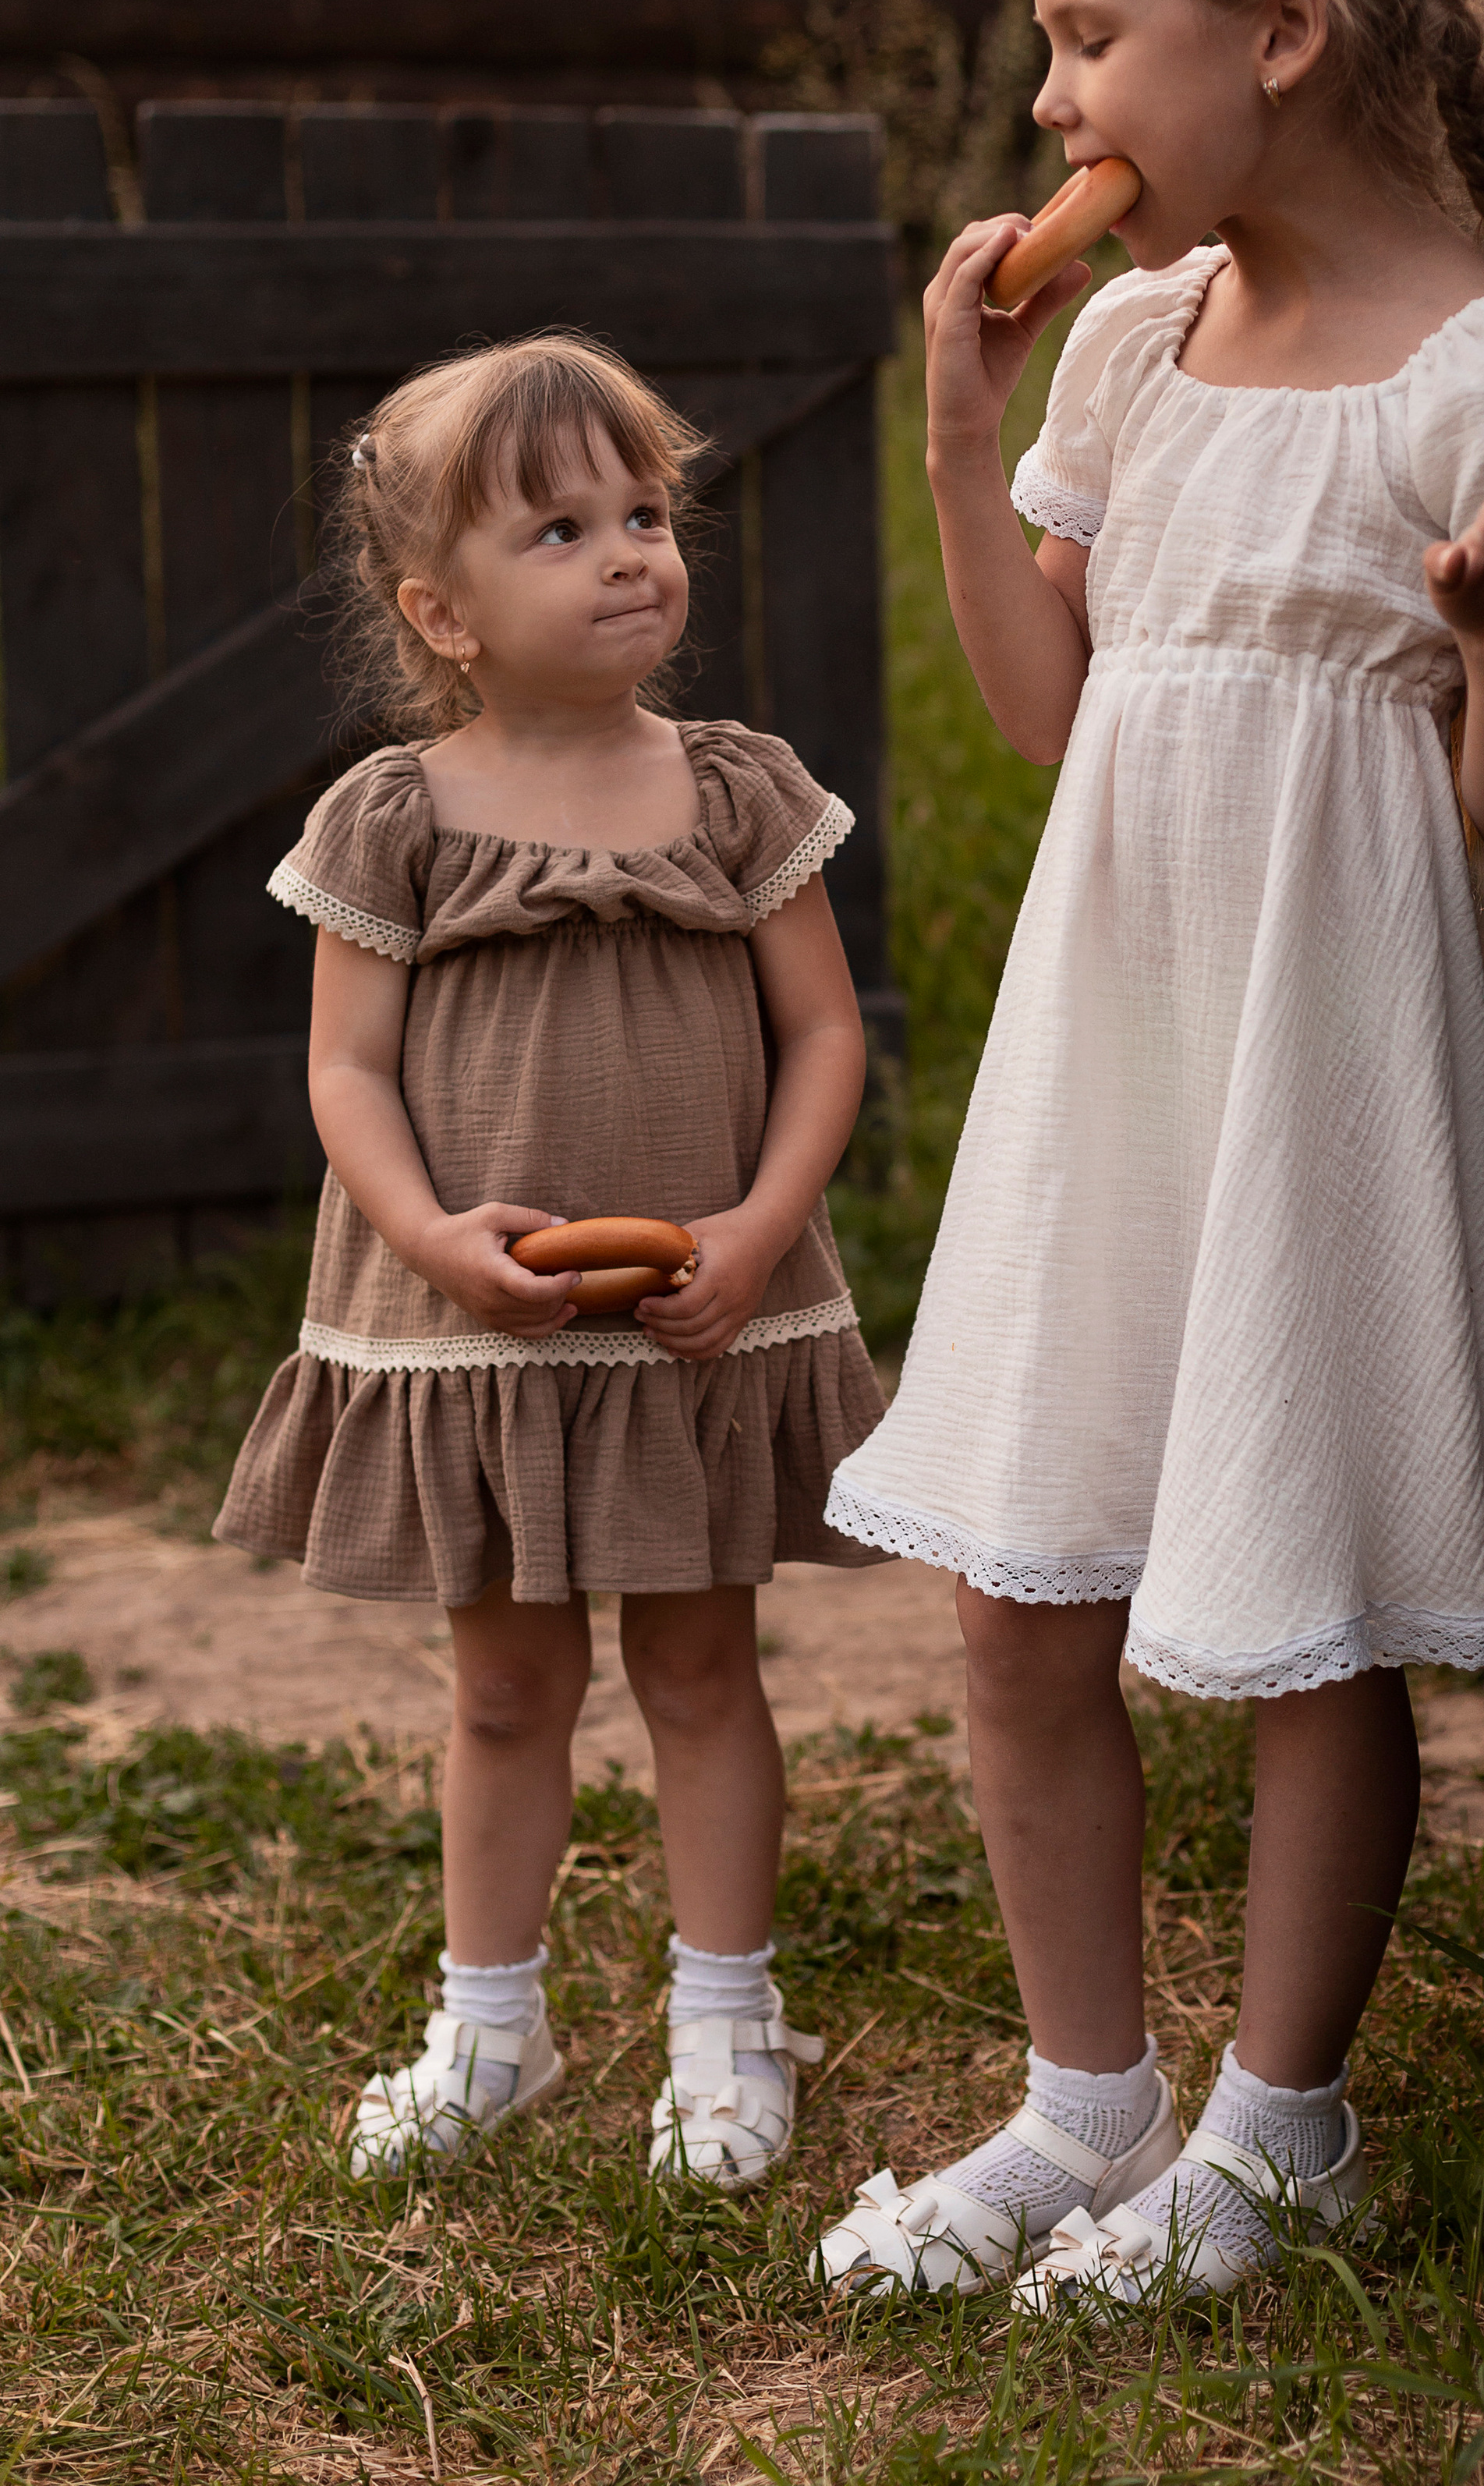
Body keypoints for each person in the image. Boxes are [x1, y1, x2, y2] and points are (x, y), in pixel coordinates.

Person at [813, 0, 1484, 2312]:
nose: (1051, 90)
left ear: (1289, 36)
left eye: (1093, 32)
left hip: (1323, 1050)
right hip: (1118, 1029)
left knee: (1298, 1589)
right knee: (1025, 1588)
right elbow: (1039, 705)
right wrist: (956, 425)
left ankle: (1278, 2127)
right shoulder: (1124, 346)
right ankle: (1083, 2098)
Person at [217, 332, 884, 2187]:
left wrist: (759, 1231)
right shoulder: (399, 817)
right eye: (563, 527)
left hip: (693, 1313)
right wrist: (429, 1237)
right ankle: (488, 2026)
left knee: (696, 1670)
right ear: (439, 610)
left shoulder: (738, 792)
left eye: (647, 510)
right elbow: (344, 1069)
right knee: (505, 1687)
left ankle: (725, 2021)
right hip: (479, 1322)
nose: (629, 553)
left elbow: (825, 1036)